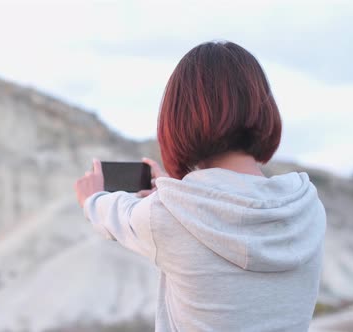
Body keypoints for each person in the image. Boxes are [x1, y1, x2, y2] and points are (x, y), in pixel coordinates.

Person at [74, 41, 326, 332]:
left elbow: (117, 214)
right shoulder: (308, 208)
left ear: (179, 119)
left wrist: (92, 198)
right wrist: (173, 196)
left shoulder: (164, 217)